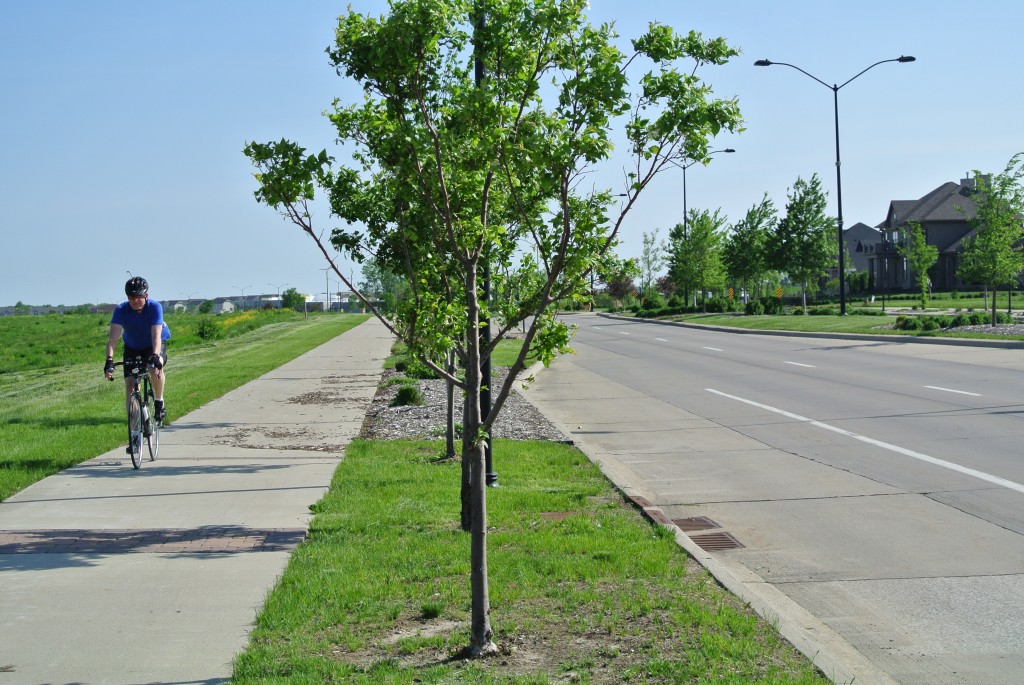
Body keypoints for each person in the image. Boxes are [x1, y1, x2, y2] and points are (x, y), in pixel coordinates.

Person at [103, 276, 171, 423]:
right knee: (130, 384)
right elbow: (113, 338)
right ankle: (133, 427)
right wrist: (109, 360)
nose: (135, 301)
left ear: (146, 296)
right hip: (133, 346)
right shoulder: (121, 310)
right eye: (131, 297)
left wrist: (155, 355)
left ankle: (159, 402)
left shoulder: (154, 307)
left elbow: (156, 335)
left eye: (138, 297)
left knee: (154, 368)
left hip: (154, 344)